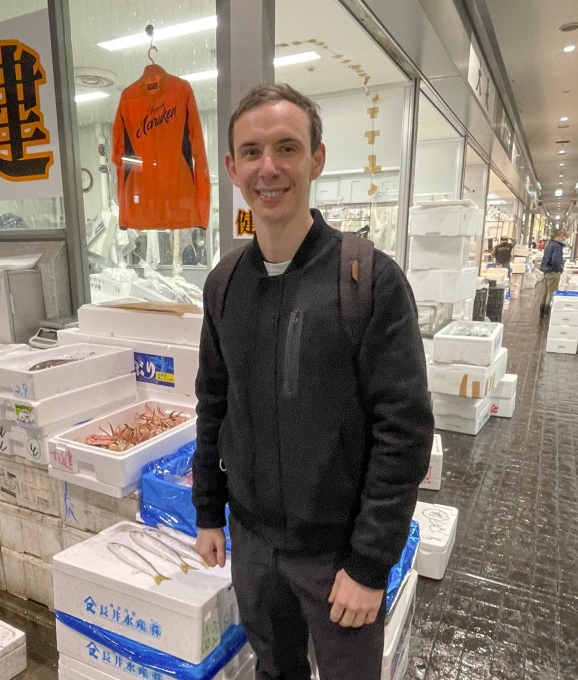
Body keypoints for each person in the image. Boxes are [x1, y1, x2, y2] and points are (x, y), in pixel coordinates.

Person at [192, 83, 433, 680]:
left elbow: (403, 431)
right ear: (231, 168)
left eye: (286, 148)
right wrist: (207, 512)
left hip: (338, 559)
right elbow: (214, 403)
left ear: (316, 159)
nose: (267, 168)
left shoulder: (366, 280)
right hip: (253, 545)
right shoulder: (225, 284)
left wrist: (370, 563)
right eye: (250, 152)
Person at [540, 228, 567, 316]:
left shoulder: (549, 244)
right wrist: (559, 269)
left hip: (546, 271)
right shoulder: (557, 246)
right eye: (563, 236)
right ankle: (548, 313)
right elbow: (556, 260)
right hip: (553, 272)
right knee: (551, 292)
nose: (564, 238)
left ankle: (542, 311)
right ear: (560, 236)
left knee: (545, 292)